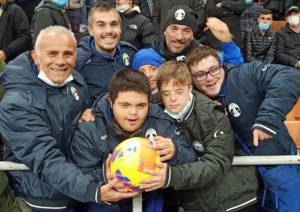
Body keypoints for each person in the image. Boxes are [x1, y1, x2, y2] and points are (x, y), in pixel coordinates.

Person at [0, 25, 138, 211]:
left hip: (82, 181)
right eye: (52, 53)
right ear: (35, 56)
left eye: (67, 54)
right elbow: (47, 161)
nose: (61, 61)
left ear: (75, 56)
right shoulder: (16, 103)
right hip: (45, 195)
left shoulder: (75, 80)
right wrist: (93, 191)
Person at [70, 68, 197, 211]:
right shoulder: (90, 129)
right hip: (108, 204)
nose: (133, 113)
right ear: (111, 102)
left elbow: (191, 158)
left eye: (141, 105)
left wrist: (175, 151)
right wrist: (103, 175)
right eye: (125, 105)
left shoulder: (160, 120)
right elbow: (78, 175)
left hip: (152, 199)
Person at [140, 61, 258, 212]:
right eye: (166, 93)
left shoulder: (212, 114)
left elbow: (216, 163)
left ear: (190, 88)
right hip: (195, 203)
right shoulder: (156, 114)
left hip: (235, 199)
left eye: (179, 91)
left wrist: (171, 176)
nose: (173, 99)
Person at [186, 45, 300, 156]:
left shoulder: (244, 75)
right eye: (200, 74)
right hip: (236, 169)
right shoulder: (192, 102)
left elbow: (290, 76)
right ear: (192, 78)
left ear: (221, 65)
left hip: (276, 162)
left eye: (214, 69)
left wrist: (267, 120)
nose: (210, 78)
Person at [75, 2, 137, 104]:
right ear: (90, 30)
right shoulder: (79, 62)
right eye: (101, 25)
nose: (108, 30)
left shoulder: (130, 52)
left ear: (120, 28)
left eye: (114, 24)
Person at [151, 5, 244, 65]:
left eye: (186, 30)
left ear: (192, 35)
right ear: (164, 31)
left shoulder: (203, 55)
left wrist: (227, 42)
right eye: (174, 29)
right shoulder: (149, 58)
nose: (179, 37)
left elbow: (233, 69)